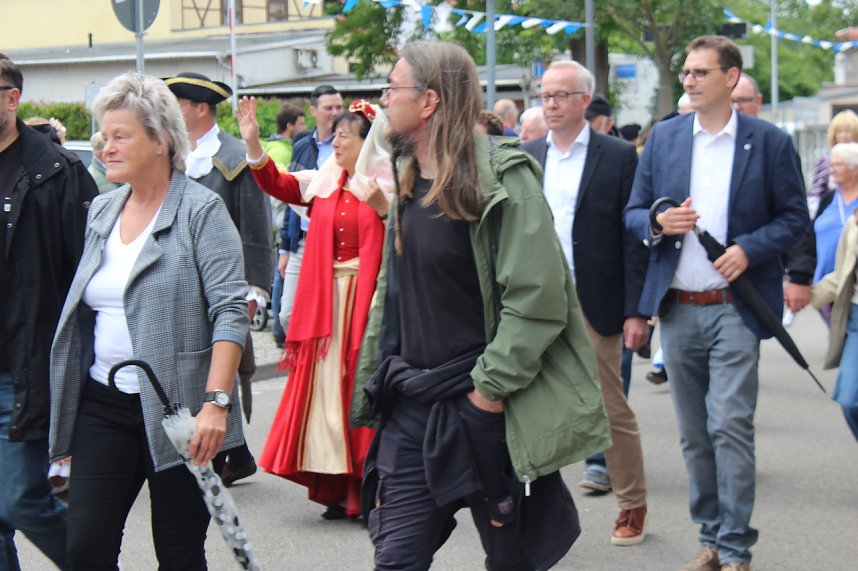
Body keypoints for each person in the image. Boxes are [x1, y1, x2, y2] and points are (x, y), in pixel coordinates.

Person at [353, 40, 609, 570]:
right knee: (395, 559)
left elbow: (537, 301)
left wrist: (486, 396)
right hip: (413, 402)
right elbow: (398, 297)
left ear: (428, 102)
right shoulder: (405, 181)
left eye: (391, 88)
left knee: (510, 560)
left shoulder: (502, 179)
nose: (382, 101)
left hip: (483, 405)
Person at [49, 72, 248, 570]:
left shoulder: (202, 211)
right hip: (104, 403)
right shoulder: (101, 210)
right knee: (85, 549)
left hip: (182, 412)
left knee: (179, 555)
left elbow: (229, 310)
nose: (105, 147)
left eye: (120, 136)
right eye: (103, 136)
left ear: (160, 140)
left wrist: (216, 405)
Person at [624, 35, 808, 571]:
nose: (689, 80)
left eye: (701, 72)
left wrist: (750, 249)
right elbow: (634, 212)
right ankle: (709, 536)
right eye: (686, 72)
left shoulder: (768, 142)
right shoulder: (665, 139)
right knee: (694, 433)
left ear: (730, 78)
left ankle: (735, 547)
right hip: (678, 307)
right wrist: (658, 221)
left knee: (729, 423)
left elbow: (794, 218)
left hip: (736, 307)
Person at [237, 96, 387, 519]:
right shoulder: (323, 180)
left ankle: (370, 488)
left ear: (368, 141)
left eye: (345, 136)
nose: (335, 142)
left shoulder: (389, 184)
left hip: (368, 300)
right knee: (326, 394)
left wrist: (385, 209)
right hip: (326, 301)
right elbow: (278, 184)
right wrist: (252, 143)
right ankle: (336, 487)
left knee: (361, 388)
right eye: (335, 134)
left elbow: (410, 238)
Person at [522, 59, 650, 546]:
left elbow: (632, 238)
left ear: (583, 101)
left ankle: (631, 504)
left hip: (596, 299)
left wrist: (636, 309)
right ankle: (537, 512)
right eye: (544, 95)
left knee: (608, 407)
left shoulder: (618, 156)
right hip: (538, 300)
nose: (550, 104)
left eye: (559, 95)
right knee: (532, 406)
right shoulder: (527, 154)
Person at [0, 52, 97, 571]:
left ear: (11, 99)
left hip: (25, 369)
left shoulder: (58, 172)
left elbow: (88, 277)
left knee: (19, 499)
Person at [164, 71, 272, 487]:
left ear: (200, 108)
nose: (170, 109)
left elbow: (256, 227)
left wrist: (254, 290)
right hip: (178, 282)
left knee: (214, 369)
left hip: (220, 285)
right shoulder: (171, 152)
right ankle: (234, 452)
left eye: (178, 102)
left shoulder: (234, 156)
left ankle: (226, 451)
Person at [277, 85, 344, 348]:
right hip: (303, 239)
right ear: (314, 111)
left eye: (339, 107)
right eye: (329, 108)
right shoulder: (302, 146)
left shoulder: (354, 142)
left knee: (331, 314)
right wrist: (284, 247)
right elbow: (291, 195)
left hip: (338, 241)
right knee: (287, 314)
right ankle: (304, 368)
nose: (335, 113)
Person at [811, 208, 858, 440]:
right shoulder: (854, 221)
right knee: (850, 401)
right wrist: (805, 295)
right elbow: (842, 274)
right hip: (856, 319)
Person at [264, 103, 306, 347]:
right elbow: (285, 190)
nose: (303, 128)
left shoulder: (271, 145)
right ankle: (280, 330)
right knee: (282, 274)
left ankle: (280, 328)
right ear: (289, 126)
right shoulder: (283, 152)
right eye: (300, 124)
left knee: (280, 271)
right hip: (284, 219)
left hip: (278, 221)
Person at [812, 142, 858, 324]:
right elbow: (809, 233)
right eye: (831, 164)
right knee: (837, 336)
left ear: (854, 168)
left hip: (850, 284)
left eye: (837, 164)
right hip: (825, 282)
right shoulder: (829, 198)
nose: (831, 169)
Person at [809, 110, 858, 208]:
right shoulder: (825, 162)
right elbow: (815, 193)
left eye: (848, 131)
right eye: (840, 131)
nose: (844, 135)